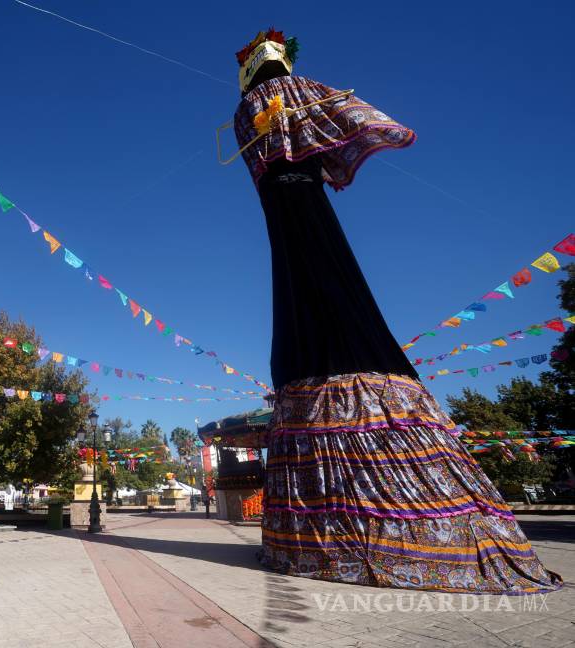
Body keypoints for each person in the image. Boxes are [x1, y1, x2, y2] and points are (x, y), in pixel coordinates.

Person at [230, 28, 561, 593]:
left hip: (287, 203)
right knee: (319, 284)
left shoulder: (244, 115)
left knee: (307, 288)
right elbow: (350, 118)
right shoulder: (287, 96)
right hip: (295, 197)